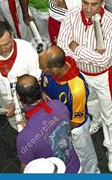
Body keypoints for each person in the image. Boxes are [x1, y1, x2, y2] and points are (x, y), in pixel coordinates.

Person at [57, 0, 112, 172]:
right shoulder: (71, 15)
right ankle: (97, 120)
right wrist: (87, 53)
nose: (88, 9)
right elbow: (62, 46)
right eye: (85, 3)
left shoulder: (110, 23)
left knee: (110, 115)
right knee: (89, 101)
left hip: (103, 75)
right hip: (80, 71)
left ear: (102, 2)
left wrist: (76, 47)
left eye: (94, 4)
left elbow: (103, 60)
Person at [39, 45, 99, 173]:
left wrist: (59, 132)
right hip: (57, 120)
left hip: (75, 127)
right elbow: (43, 88)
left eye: (43, 68)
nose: (41, 70)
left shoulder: (76, 88)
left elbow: (77, 120)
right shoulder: (50, 71)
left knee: (85, 156)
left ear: (54, 69)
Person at [0, 21, 40, 128]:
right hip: (4, 98)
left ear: (12, 36)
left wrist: (18, 104)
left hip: (28, 100)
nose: (3, 49)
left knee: (36, 126)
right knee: (16, 125)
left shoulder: (27, 50)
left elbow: (36, 81)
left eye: (6, 44)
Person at [16, 74, 80, 173]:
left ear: (18, 96)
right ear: (40, 90)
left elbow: (26, 169)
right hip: (75, 165)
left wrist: (29, 128)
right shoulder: (58, 105)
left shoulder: (24, 138)